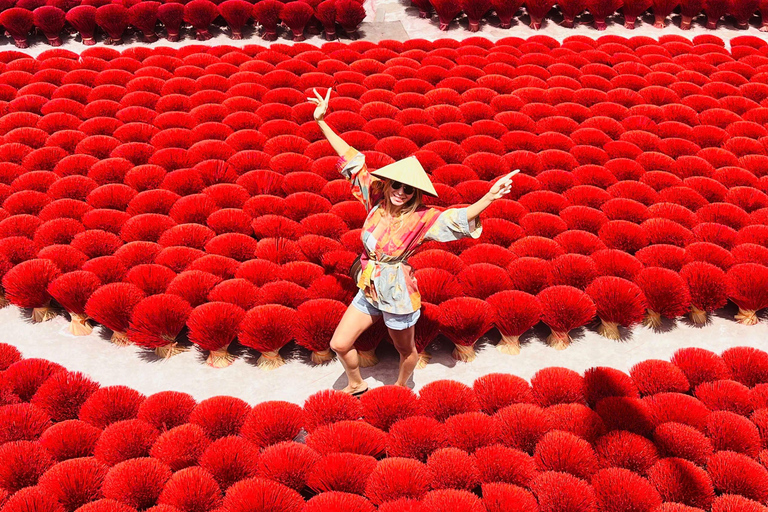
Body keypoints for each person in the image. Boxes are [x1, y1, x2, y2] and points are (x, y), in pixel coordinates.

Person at [308, 88, 519, 396]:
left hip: (398, 295)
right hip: (368, 286)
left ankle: (400, 387)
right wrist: (322, 122)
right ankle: (356, 384)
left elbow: (457, 219)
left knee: (406, 350)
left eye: (409, 190)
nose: (401, 193)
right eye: (397, 186)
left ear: (416, 194)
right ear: (388, 184)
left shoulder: (423, 218)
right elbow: (353, 160)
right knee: (339, 344)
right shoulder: (374, 199)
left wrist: (488, 196)